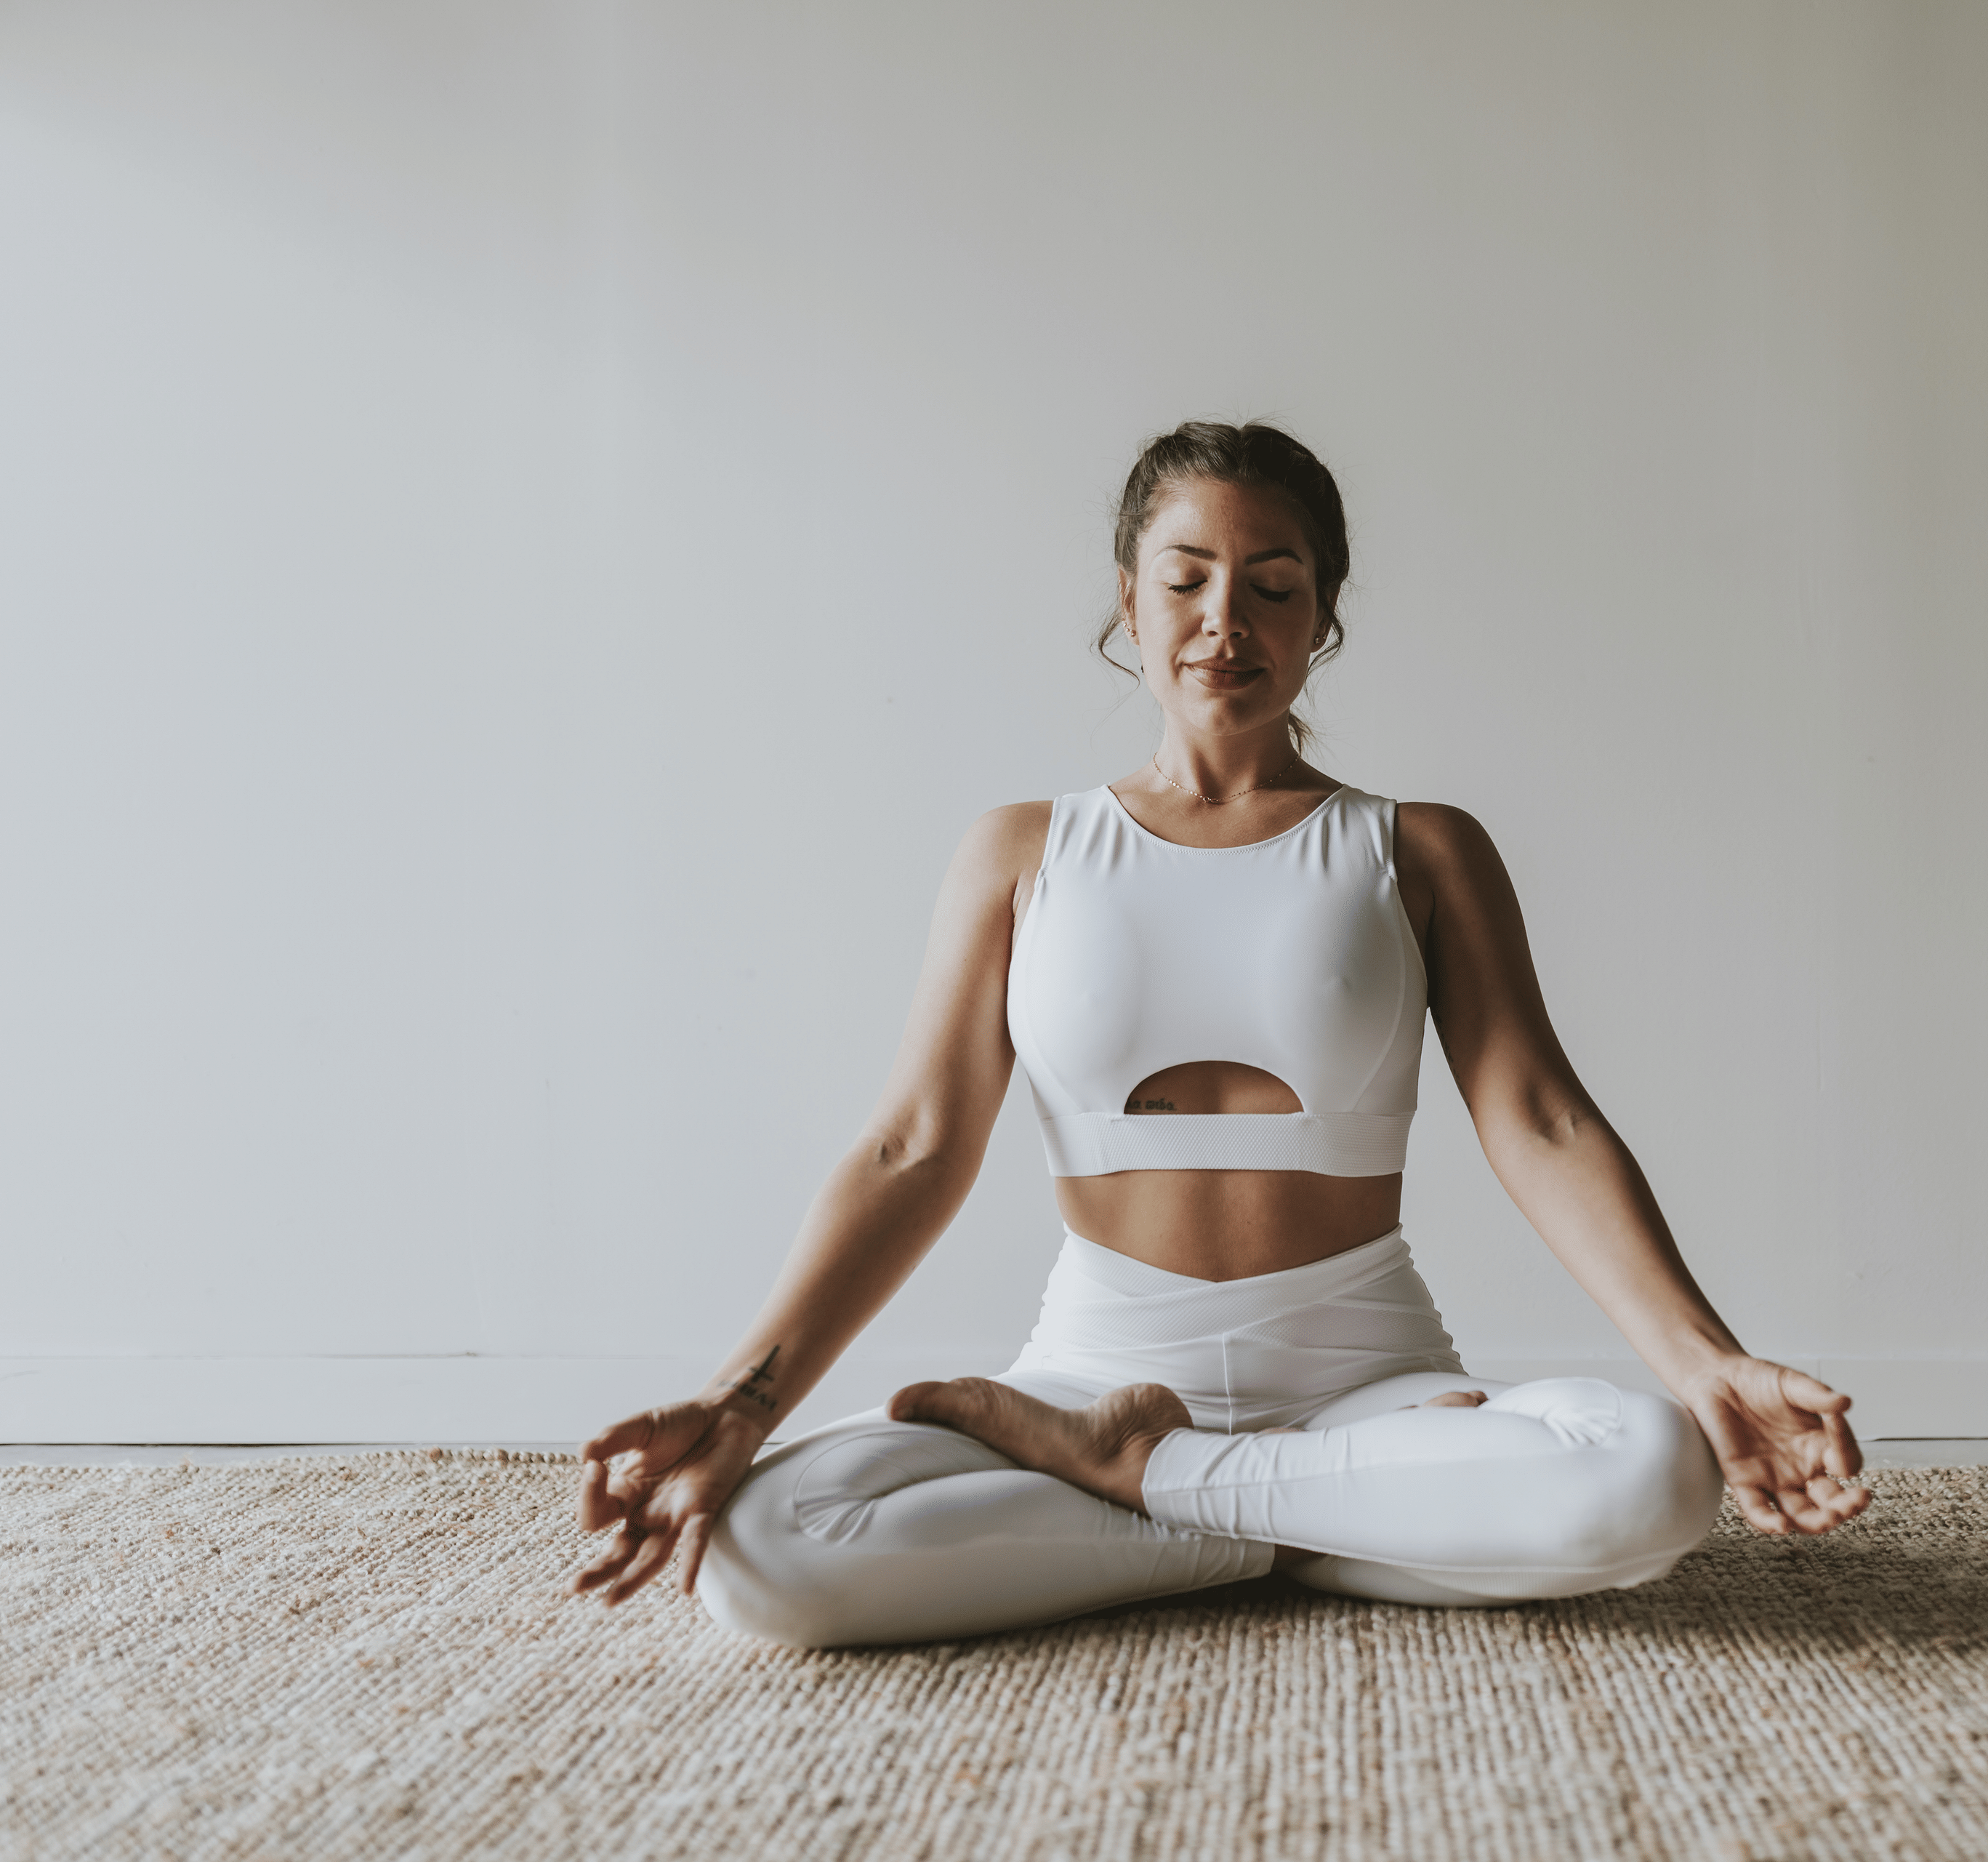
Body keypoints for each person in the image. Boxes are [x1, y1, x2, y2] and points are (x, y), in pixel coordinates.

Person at [568, 421, 1870, 1646]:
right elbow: (912, 1145)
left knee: (1654, 1476)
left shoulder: (1419, 849)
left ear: (1325, 619)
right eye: (1185, 579)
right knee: (761, 1547)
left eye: (1274, 585)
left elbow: (1543, 1121)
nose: (1224, 623)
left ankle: (1142, 1484)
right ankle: (1308, 1520)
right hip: (1089, 1369)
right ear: (1126, 602)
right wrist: (745, 1405)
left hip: (1370, 1383)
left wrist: (1709, 1364)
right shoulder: (1021, 853)